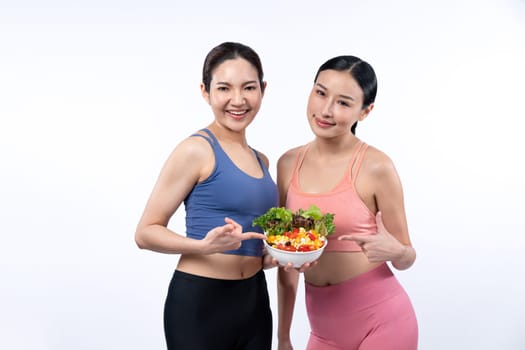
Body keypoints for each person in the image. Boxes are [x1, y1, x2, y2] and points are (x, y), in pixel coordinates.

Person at [135, 42, 279, 350]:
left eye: (249, 88)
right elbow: (145, 232)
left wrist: (274, 255)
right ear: (206, 91)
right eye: (224, 88)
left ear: (263, 90)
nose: (237, 100)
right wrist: (202, 245)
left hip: (254, 301)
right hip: (201, 304)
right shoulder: (196, 150)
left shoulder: (262, 161)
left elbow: (254, 240)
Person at [276, 55, 419, 350]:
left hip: (383, 323)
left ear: (365, 112)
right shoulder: (288, 163)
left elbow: (406, 257)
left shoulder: (377, 167)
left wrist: (398, 251)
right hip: (324, 333)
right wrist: (283, 336)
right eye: (320, 93)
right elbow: (285, 260)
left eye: (343, 102)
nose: (326, 110)